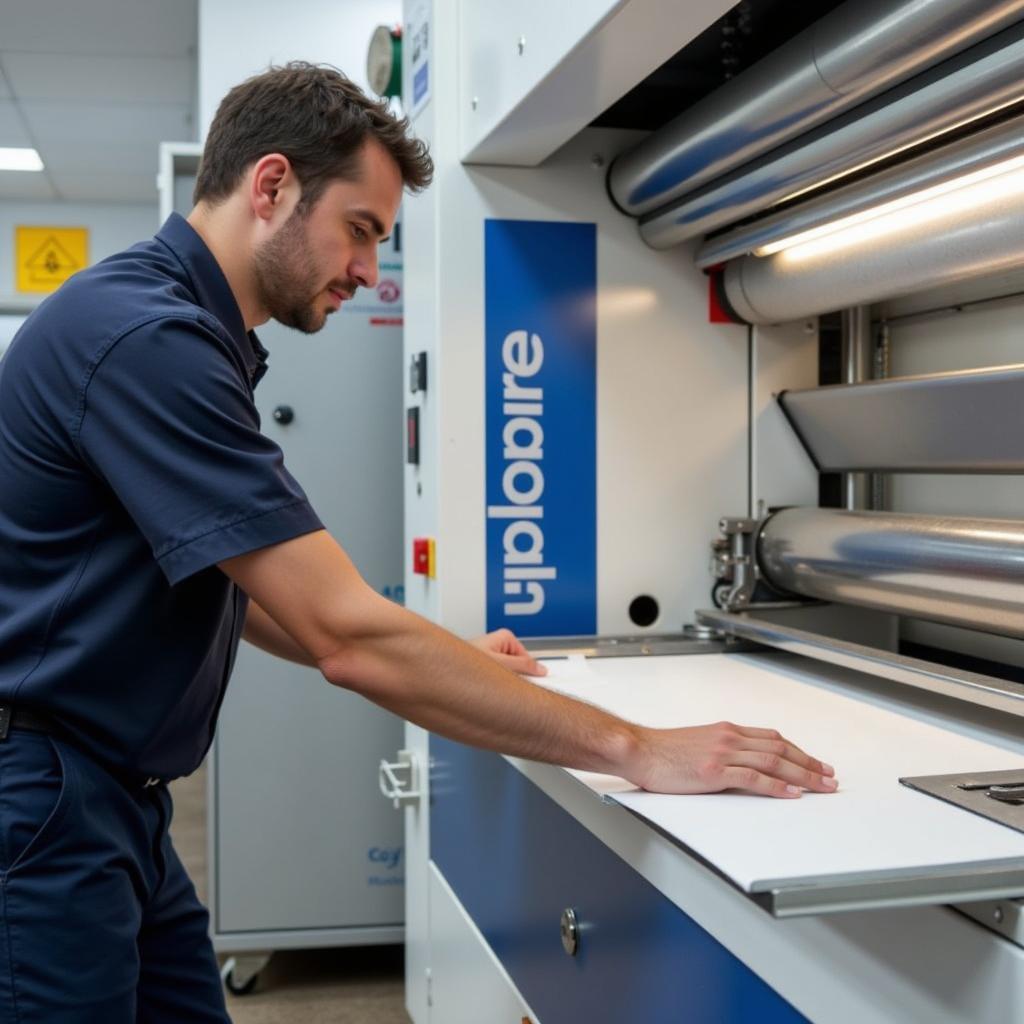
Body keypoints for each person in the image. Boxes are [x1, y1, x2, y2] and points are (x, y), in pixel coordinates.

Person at [0, 62, 837, 1021]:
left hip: (112, 802)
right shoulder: (147, 339)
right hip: (48, 805)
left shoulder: (178, 330)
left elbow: (246, 584)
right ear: (271, 186)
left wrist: (444, 659)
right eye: (360, 230)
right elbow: (340, 637)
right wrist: (636, 748)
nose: (368, 269)